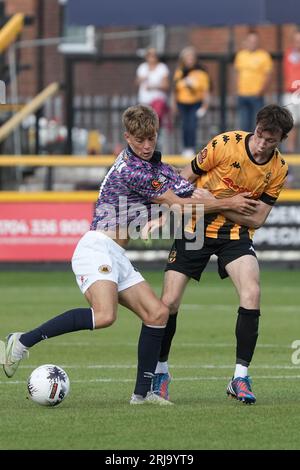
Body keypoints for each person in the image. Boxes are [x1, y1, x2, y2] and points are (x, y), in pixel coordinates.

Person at [1, 105, 256, 405]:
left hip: (116, 254)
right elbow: (182, 204)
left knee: (158, 314)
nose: (146, 146)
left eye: (151, 138)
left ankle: (142, 395)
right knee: (105, 315)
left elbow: (191, 192)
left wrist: (224, 198)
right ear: (127, 137)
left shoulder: (157, 168)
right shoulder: (133, 170)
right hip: (95, 247)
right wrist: (231, 204)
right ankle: (21, 341)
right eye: (139, 140)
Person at [150, 104, 293, 404]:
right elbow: (183, 178)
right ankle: (161, 371)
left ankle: (240, 376)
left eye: (271, 140)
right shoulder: (224, 144)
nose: (263, 143)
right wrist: (226, 204)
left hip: (236, 237)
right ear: (255, 127)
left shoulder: (278, 169)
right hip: (195, 228)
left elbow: (256, 219)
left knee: (252, 293)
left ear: (282, 139)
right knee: (169, 302)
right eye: (260, 136)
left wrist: (218, 202)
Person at [172, 46, 210, 157]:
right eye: (187, 58)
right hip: (182, 103)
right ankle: (185, 147)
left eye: (191, 58)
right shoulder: (179, 72)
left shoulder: (201, 72)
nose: (190, 60)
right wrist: (174, 104)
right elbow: (175, 90)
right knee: (184, 125)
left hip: (195, 103)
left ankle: (191, 147)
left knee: (192, 125)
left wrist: (204, 107)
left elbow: (206, 91)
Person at [234, 31, 273, 132]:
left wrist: (261, 91)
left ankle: (256, 147)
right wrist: (237, 89)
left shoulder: (264, 56)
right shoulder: (240, 55)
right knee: (243, 124)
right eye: (250, 41)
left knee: (258, 124)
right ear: (246, 42)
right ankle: (245, 146)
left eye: (254, 41)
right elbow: (237, 73)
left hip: (256, 95)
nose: (252, 43)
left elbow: (268, 75)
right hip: (242, 95)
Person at [135, 47, 170, 129]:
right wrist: (141, 79)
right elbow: (136, 82)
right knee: (144, 123)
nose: (152, 57)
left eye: (154, 55)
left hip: (157, 99)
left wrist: (153, 87)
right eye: (149, 55)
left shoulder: (162, 68)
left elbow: (166, 86)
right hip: (144, 100)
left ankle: (155, 138)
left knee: (155, 120)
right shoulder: (142, 67)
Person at [282, 30, 300, 153]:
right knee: (291, 124)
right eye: (296, 41)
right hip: (291, 93)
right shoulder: (289, 54)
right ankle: (290, 151)